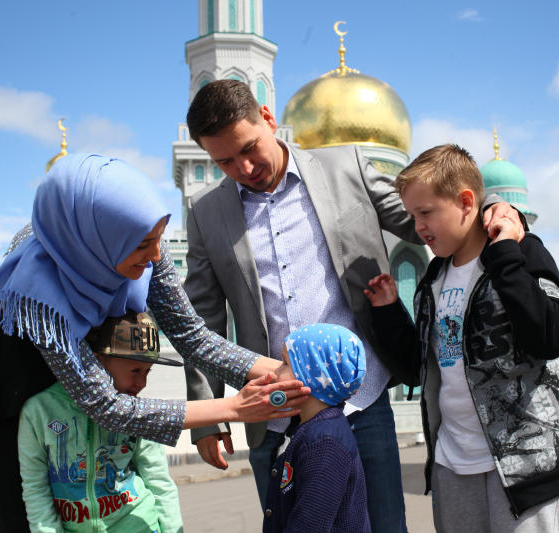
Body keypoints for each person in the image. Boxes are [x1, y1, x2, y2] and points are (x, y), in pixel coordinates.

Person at [181, 79, 525, 532]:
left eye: (249, 148)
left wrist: (495, 206)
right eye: (224, 161)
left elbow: (427, 211)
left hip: (361, 406)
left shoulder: (344, 168)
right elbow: (200, 321)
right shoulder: (207, 213)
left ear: (268, 119)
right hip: (274, 410)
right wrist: (206, 417)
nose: (244, 167)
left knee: (384, 526)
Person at [0, 153, 309, 532]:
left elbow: (192, 336)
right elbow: (106, 406)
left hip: (98, 381)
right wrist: (235, 408)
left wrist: (288, 372)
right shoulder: (38, 291)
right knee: (30, 520)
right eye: (144, 245)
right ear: (97, 243)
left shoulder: (139, 242)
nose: (156, 255)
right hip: (16, 394)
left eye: (158, 239)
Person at [364, 145, 559, 533]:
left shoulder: (523, 249)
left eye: (426, 213)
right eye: (412, 215)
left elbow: (551, 336)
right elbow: (417, 370)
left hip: (527, 463)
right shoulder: (432, 281)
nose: (418, 227)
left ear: (467, 202)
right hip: (455, 463)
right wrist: (388, 312)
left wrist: (505, 253)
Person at [18, 312, 184, 532]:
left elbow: (159, 481)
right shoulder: (39, 411)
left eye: (147, 372)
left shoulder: (140, 412)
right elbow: (35, 488)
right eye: (135, 370)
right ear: (97, 360)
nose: (142, 383)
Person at [263, 324, 370, 533]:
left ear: (310, 373)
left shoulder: (324, 443)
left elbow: (309, 524)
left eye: (285, 363)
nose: (276, 371)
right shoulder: (314, 429)